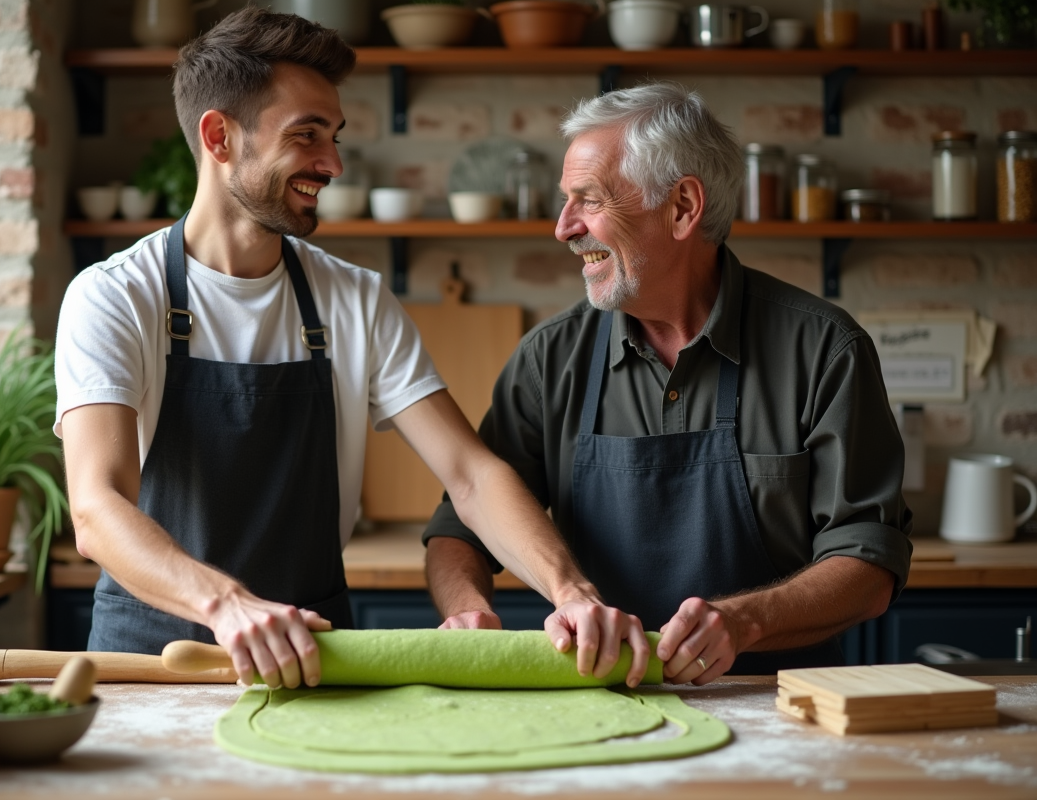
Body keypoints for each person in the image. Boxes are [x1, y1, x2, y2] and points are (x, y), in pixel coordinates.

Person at [55, 7, 647, 692]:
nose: (331, 163)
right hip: (153, 665)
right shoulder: (115, 297)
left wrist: (570, 591)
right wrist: (227, 606)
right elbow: (97, 507)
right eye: (307, 136)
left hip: (315, 658)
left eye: (333, 137)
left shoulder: (352, 300)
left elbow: (470, 473)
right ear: (219, 137)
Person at [422, 83, 913, 684]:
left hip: (775, 705)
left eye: (589, 200)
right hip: (593, 700)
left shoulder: (823, 349)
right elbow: (459, 525)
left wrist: (743, 621)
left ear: (683, 207)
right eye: (565, 201)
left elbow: (868, 564)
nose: (563, 227)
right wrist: (469, 609)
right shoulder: (550, 359)